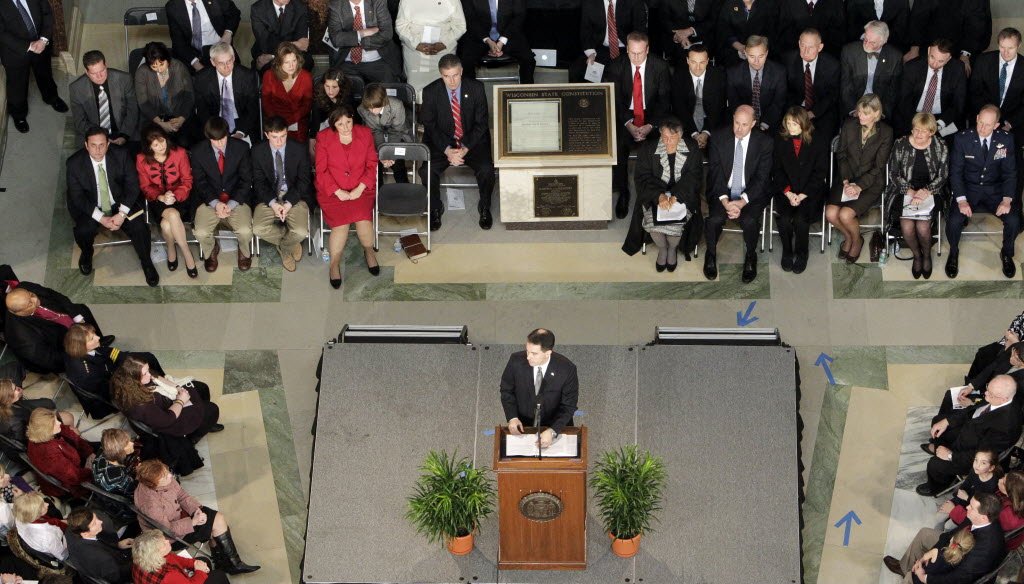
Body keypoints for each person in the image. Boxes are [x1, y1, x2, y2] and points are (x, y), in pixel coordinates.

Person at [66, 127, 159, 287]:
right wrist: (101, 218)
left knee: (139, 227)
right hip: (92, 206)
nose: (98, 149)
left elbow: (132, 186)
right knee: (83, 230)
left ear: (108, 144)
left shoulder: (121, 155)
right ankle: (87, 253)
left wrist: (121, 214)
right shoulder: (74, 163)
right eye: (93, 145)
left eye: (102, 145)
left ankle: (146, 261)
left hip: (120, 203)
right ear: (86, 145)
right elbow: (77, 197)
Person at [134, 460, 259, 574]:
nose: (170, 476)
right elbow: (168, 530)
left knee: (216, 522)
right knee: (218, 523)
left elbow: (181, 495)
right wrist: (193, 522)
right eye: (165, 476)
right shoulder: (150, 505)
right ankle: (232, 564)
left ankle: (226, 562)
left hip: (180, 517)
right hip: (171, 537)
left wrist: (196, 510)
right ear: (154, 484)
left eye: (167, 471)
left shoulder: (159, 478)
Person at [419, 54, 496, 231]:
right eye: (446, 76)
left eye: (455, 75)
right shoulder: (430, 91)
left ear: (461, 71)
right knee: (426, 171)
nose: (452, 81)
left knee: (486, 170)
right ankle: (435, 208)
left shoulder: (476, 88)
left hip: (471, 141)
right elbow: (429, 125)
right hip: (442, 142)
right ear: (441, 75)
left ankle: (484, 206)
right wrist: (447, 150)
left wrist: (464, 147)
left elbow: (481, 123)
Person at [110, 356, 221, 476]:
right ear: (133, 380)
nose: (149, 374)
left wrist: (177, 387)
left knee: (202, 388)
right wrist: (180, 401)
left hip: (163, 405)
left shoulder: (127, 382)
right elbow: (167, 419)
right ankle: (193, 436)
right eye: (145, 373)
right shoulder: (141, 405)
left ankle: (203, 422)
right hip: (167, 420)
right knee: (212, 410)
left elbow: (156, 377)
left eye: (147, 370)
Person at [918, 375, 1023, 496]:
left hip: (970, 453)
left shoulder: (1006, 426)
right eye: (988, 388)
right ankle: (937, 448)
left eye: (991, 394)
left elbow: (982, 455)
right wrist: (947, 421)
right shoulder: (995, 396)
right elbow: (972, 410)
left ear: (1004, 399)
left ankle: (937, 486)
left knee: (934, 464)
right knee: (938, 421)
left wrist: (950, 455)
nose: (985, 394)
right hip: (969, 432)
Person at [703, 105, 774, 283]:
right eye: (736, 123)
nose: (739, 129)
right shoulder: (718, 137)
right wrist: (725, 201)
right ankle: (710, 254)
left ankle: (751, 256)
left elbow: (761, 178)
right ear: (733, 118)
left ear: (753, 124)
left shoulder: (764, 142)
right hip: (722, 191)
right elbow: (715, 173)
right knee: (714, 220)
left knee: (749, 221)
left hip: (750, 194)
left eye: (744, 124)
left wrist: (742, 202)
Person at [947, 105, 1019, 280]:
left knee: (1014, 220)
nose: (982, 127)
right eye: (980, 122)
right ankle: (953, 253)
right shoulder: (962, 139)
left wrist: (1007, 199)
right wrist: (962, 200)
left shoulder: (1006, 139)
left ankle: (1007, 253)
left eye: (988, 125)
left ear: (996, 125)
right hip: (969, 190)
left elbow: (1010, 173)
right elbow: (955, 172)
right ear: (977, 117)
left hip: (995, 190)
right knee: (954, 220)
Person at [622, 117, 704, 268]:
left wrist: (675, 197)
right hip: (654, 195)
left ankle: (672, 249)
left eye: (672, 137)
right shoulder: (648, 148)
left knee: (676, 224)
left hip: (683, 196)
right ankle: (663, 249)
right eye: (664, 137)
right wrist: (659, 196)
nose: (668, 141)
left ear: (680, 135)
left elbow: (694, 177)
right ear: (660, 134)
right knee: (654, 223)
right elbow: (642, 177)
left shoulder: (692, 148)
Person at [605, 31, 672, 219]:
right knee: (616, 143)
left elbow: (664, 101)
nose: (636, 57)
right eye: (632, 53)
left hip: (651, 119)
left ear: (647, 50)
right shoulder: (616, 66)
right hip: (626, 119)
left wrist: (650, 125)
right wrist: (629, 124)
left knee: (662, 145)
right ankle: (623, 192)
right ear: (627, 50)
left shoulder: (659, 66)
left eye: (640, 53)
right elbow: (615, 100)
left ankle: (655, 193)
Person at [315, 105, 379, 288]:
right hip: (333, 192)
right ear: (333, 124)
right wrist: (337, 191)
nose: (346, 127)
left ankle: (369, 251)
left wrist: (360, 188)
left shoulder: (365, 133)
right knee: (341, 226)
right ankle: (334, 264)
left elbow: (371, 164)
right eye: (340, 124)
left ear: (353, 119)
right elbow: (321, 171)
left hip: (361, 189)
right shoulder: (324, 137)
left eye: (348, 122)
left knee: (363, 221)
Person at [824, 94, 893, 264]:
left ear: (876, 114)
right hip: (847, 178)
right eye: (859, 111)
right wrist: (847, 181)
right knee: (831, 213)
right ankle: (850, 237)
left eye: (865, 113)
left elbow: (878, 167)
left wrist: (859, 186)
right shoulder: (849, 125)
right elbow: (841, 155)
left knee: (846, 215)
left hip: (870, 183)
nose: (860, 116)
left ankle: (857, 241)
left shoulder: (886, 132)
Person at [884, 493, 1006, 582]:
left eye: (972, 507)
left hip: (958, 567)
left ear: (984, 517)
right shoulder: (976, 517)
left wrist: (925, 578)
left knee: (916, 576)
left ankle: (911, 578)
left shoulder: (985, 549)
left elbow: (958, 578)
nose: (967, 507)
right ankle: (904, 567)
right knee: (925, 534)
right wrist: (935, 550)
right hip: (956, 547)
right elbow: (949, 535)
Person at [885, 112, 948, 280]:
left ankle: (926, 255)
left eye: (923, 131)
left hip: (931, 192)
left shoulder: (940, 146)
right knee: (906, 226)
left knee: (922, 226)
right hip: (904, 191)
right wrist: (909, 190)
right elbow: (893, 173)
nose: (918, 134)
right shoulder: (901, 144)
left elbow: (942, 175)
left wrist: (926, 191)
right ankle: (917, 255)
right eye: (915, 129)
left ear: (932, 131)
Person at [190, 116, 254, 273]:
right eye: (215, 140)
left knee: (245, 230)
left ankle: (244, 251)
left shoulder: (242, 148)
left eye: (223, 139)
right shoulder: (198, 152)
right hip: (209, 200)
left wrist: (231, 204)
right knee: (201, 232)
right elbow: (201, 183)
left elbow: (246, 181)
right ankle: (211, 249)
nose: (220, 144)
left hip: (237, 200)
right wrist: (216, 203)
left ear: (228, 134)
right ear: (208, 137)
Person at [136, 124, 198, 278]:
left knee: (166, 224)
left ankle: (171, 247)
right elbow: (145, 186)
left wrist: (175, 195)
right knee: (172, 215)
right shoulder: (141, 159)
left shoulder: (180, 153)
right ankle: (186, 252)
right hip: (156, 199)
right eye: (155, 145)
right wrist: (161, 197)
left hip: (181, 197)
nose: (161, 146)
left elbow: (187, 180)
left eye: (162, 141)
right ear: (149, 146)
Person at [772, 106, 829, 274]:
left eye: (795, 124)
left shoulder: (818, 140)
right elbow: (777, 170)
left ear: (804, 124)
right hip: (786, 191)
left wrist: (802, 195)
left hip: (809, 192)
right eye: (788, 123)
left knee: (800, 219)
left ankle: (802, 253)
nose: (790, 128)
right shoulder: (780, 139)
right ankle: (787, 251)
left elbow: (820, 173)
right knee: (784, 219)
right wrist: (789, 193)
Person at [500, 329, 579, 449]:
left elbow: (569, 406)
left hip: (556, 426)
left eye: (534, 353)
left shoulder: (567, 369)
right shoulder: (515, 360)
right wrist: (512, 417)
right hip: (523, 426)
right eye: (527, 351)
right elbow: (507, 390)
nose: (528, 357)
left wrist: (552, 431)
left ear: (548, 353)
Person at [252, 116, 313, 272]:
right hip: (268, 197)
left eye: (283, 136)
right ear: (266, 135)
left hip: (294, 195)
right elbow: (259, 183)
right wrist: (273, 204)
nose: (279, 141)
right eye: (274, 137)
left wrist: (288, 203)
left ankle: (285, 248)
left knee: (300, 231)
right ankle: (291, 242)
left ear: (287, 133)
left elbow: (304, 181)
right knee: (258, 229)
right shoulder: (257, 151)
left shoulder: (299, 149)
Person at [3, 285, 107, 374]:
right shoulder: (24, 339)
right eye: (30, 304)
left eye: (31, 295)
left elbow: (55, 295)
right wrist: (82, 353)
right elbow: (54, 361)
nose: (35, 300)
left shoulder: (25, 287)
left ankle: (99, 342)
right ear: (19, 312)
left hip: (63, 320)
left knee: (82, 310)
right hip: (58, 344)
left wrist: (76, 316)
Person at [0, 0, 68, 134]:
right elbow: (1, 33)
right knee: (17, 85)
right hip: (14, 51)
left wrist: (43, 39)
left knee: (45, 74)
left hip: (41, 44)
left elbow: (47, 13)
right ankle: (19, 115)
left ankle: (52, 97)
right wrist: (29, 46)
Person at [969, 28, 1024, 177]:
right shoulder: (984, 60)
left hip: (1013, 124)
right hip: (984, 121)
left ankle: (1012, 200)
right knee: (977, 165)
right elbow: (975, 92)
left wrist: (1009, 124)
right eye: (1002, 47)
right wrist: (989, 120)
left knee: (1013, 169)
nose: (1005, 52)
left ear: (1018, 46)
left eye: (1010, 48)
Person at [63, 323, 148, 419]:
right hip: (111, 392)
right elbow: (110, 390)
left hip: (108, 370)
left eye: (94, 334)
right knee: (145, 371)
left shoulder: (77, 350)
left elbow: (105, 353)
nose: (98, 337)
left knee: (146, 358)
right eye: (92, 339)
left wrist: (125, 358)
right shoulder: (88, 374)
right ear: (81, 346)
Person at [896, 39, 968, 138]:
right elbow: (904, 100)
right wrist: (918, 123)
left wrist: (939, 124)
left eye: (941, 61)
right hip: (914, 115)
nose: (934, 64)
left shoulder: (957, 69)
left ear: (949, 58)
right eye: (932, 57)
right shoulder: (912, 67)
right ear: (929, 50)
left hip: (941, 118)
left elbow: (958, 103)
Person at [194, 42, 261, 144]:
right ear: (213, 62)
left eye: (229, 61)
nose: (226, 66)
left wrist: (241, 132)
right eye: (221, 63)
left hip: (241, 122)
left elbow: (252, 109)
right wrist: (216, 131)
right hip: (215, 122)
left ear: (234, 58)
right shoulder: (202, 78)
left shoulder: (247, 76)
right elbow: (203, 111)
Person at [394, 0, 466, 94]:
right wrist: (416, 45)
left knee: (443, 92)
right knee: (416, 92)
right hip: (416, 54)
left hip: (443, 51)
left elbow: (460, 26)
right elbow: (400, 26)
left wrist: (444, 43)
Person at [70, 50, 139, 148]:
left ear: (106, 65)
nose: (99, 76)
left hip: (124, 130)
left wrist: (124, 135)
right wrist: (101, 137)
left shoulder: (124, 79)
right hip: (94, 134)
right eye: (94, 73)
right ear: (87, 72)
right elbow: (80, 122)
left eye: (102, 71)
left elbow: (133, 109)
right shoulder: (76, 88)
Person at [134, 42, 197, 148]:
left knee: (185, 142)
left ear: (168, 59)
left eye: (162, 64)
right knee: (156, 144)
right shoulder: (142, 72)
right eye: (154, 66)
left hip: (180, 115)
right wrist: (161, 123)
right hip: (153, 118)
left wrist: (181, 119)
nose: (159, 69)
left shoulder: (178, 67)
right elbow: (143, 103)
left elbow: (189, 95)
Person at [568, 0, 646, 83]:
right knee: (576, 70)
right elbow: (585, 32)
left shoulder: (634, 2)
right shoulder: (590, 3)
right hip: (600, 49)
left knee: (625, 75)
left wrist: (634, 51)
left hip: (627, 48)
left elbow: (640, 31)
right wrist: (591, 53)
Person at [459, 0, 534, 85]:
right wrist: (487, 40)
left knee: (528, 59)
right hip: (479, 35)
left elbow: (519, 16)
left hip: (508, 33)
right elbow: (470, 18)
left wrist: (502, 41)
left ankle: (526, 94)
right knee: (466, 61)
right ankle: (470, 94)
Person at [903, 0, 991, 72]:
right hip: (930, 44)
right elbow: (919, 15)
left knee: (964, 72)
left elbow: (975, 27)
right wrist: (914, 49)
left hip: (963, 47)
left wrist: (965, 55)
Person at [784, 28, 841, 141]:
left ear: (820, 47)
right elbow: (786, 91)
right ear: (799, 43)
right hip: (795, 110)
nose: (805, 51)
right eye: (803, 46)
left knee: (823, 137)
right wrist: (797, 113)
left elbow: (832, 95)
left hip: (821, 110)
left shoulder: (832, 65)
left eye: (810, 47)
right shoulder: (787, 61)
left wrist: (813, 113)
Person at [326, 0, 402, 82]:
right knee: (340, 90)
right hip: (347, 62)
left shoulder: (377, 2)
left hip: (377, 61)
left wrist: (357, 41)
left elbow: (387, 33)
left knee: (387, 91)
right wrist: (362, 33)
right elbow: (336, 39)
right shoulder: (336, 5)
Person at [839, 20, 902, 119]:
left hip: (879, 109)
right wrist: (853, 110)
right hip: (855, 106)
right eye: (865, 39)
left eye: (872, 42)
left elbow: (892, 91)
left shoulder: (895, 56)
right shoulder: (849, 51)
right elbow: (846, 86)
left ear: (883, 41)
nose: (867, 44)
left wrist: (881, 113)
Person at [25, 409, 94, 499]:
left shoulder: (39, 434)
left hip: (73, 467)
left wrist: (89, 452)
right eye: (55, 422)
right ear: (46, 430)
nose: (59, 423)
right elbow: (74, 477)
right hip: (68, 485)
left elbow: (68, 432)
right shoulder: (50, 454)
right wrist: (89, 470)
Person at [670, 45, 726, 150]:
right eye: (693, 62)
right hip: (686, 123)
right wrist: (694, 133)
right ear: (687, 60)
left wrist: (705, 132)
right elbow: (680, 108)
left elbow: (717, 108)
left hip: (712, 122)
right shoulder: (678, 77)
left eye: (702, 62)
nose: (698, 67)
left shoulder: (718, 76)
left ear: (708, 61)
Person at [726, 35, 786, 133]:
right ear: (745, 53)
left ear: (766, 53)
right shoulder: (733, 73)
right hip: (743, 124)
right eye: (752, 56)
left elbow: (778, 103)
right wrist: (747, 124)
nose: (756, 61)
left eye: (761, 56)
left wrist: (764, 124)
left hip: (771, 124)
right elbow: (734, 102)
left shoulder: (779, 72)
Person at [357, 83, 414, 183]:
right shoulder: (362, 109)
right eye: (370, 108)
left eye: (375, 107)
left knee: (398, 160)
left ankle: (403, 187)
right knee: (373, 160)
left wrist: (390, 154)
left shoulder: (397, 105)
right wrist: (382, 154)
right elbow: (374, 131)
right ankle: (377, 191)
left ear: (383, 102)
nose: (373, 111)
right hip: (377, 134)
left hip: (398, 134)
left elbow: (397, 131)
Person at [164, 0, 241, 72]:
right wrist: (197, 65)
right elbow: (178, 42)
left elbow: (234, 14)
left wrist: (228, 33)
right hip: (191, 53)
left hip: (218, 48)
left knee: (236, 79)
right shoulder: (173, 6)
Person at [131, 528, 230, 583]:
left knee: (204, 560)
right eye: (163, 544)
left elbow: (174, 558)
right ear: (156, 554)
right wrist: (200, 571)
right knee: (219, 575)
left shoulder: (142, 557)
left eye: (164, 539)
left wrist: (194, 563)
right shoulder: (169, 576)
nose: (168, 541)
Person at [261, 42, 314, 143]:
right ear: (279, 63)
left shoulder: (306, 77)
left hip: (298, 122)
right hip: (275, 123)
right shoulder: (269, 75)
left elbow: (306, 106)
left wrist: (290, 121)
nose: (292, 66)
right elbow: (267, 104)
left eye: (294, 61)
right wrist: (278, 123)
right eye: (287, 62)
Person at [66, 508, 133, 584]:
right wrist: (138, 562)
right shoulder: (102, 558)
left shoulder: (70, 531)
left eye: (96, 518)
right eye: (94, 523)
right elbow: (117, 577)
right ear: (85, 534)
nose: (100, 522)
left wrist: (117, 545)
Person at [0, 380, 72, 446]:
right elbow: (31, 440)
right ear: (7, 400)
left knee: (61, 414)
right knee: (69, 419)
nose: (18, 388)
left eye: (15, 386)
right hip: (35, 437)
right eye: (14, 389)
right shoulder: (15, 425)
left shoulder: (5, 405)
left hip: (30, 421)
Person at [938, 449, 1001, 522]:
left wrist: (966, 498)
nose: (977, 465)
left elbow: (982, 506)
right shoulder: (975, 471)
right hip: (967, 497)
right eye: (976, 460)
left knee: (948, 524)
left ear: (991, 468)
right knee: (940, 515)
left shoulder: (992, 484)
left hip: (974, 508)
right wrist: (957, 499)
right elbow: (966, 484)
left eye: (983, 463)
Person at [250, 0, 312, 73]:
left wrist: (272, 56)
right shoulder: (258, 8)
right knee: (268, 67)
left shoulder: (300, 7)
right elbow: (266, 43)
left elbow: (302, 43)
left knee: (306, 63)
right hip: (266, 53)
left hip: (293, 53)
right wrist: (294, 44)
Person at [715, 0, 777, 69]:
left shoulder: (769, 4)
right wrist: (739, 46)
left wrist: (755, 48)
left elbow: (771, 32)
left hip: (760, 52)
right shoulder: (729, 4)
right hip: (733, 53)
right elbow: (723, 30)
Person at [647, 0, 714, 63]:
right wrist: (681, 36)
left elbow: (712, 20)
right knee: (681, 57)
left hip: (702, 34)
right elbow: (664, 20)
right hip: (675, 34)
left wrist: (691, 30)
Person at [776, 0, 845, 58]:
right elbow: (784, 37)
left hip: (826, 60)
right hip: (794, 60)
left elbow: (838, 37)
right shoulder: (787, 3)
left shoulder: (835, 3)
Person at [308, 68, 353, 157]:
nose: (330, 91)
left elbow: (350, 123)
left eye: (334, 87)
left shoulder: (347, 98)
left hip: (343, 129)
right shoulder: (318, 98)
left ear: (341, 86)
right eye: (327, 86)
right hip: (323, 129)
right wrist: (312, 141)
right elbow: (315, 123)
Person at [12, 493, 67, 561]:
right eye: (42, 506)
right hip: (57, 546)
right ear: (35, 514)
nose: (47, 504)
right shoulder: (49, 536)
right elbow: (63, 556)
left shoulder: (20, 515)